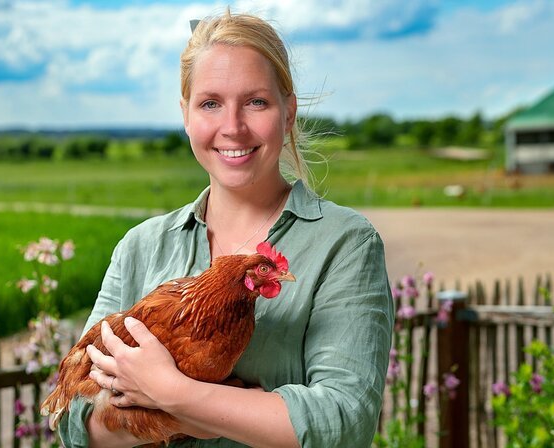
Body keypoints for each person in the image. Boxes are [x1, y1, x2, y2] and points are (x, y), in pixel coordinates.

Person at [57, 10, 394, 448]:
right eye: (210, 103)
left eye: (256, 102)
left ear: (288, 112)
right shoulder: (142, 246)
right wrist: (184, 417)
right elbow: (77, 422)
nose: (232, 127)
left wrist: (177, 394)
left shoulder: (344, 244)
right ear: (186, 115)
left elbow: (342, 422)